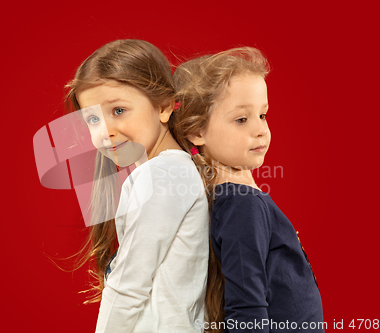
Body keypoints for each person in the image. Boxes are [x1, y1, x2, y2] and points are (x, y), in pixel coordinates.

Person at [172, 47, 324, 332]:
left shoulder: (239, 198)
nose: (260, 130)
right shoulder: (242, 205)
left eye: (263, 115)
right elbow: (246, 307)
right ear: (197, 131)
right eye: (242, 119)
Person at [64, 39, 209, 333]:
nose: (105, 131)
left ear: (164, 107)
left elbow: (130, 283)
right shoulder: (170, 170)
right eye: (92, 119)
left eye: (118, 111)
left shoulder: (163, 173)